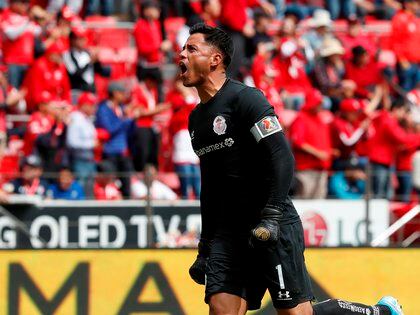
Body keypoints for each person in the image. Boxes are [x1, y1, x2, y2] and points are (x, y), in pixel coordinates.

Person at [181, 23, 402, 315]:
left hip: (270, 221)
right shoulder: (196, 119)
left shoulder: (247, 99)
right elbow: (210, 184)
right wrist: (205, 244)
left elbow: (281, 156)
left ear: (215, 59)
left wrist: (272, 214)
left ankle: (380, 312)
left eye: (191, 48)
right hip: (228, 231)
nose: (181, 55)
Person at [66, 92, 98, 198]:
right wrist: (92, 144)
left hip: (89, 160)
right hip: (79, 160)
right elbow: (72, 141)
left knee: (90, 189)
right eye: (92, 105)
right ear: (84, 105)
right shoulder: (75, 118)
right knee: (80, 188)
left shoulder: (87, 119)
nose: (94, 108)